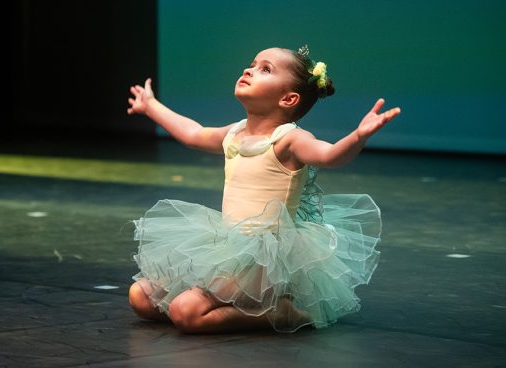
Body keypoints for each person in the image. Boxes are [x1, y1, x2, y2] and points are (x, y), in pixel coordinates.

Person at [126, 45, 401, 334]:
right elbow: (194, 133)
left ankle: (281, 312)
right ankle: (219, 302)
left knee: (186, 312)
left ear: (288, 98)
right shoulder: (235, 132)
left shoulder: (290, 140)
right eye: (252, 64)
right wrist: (151, 105)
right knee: (140, 297)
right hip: (226, 247)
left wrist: (358, 136)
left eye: (265, 69)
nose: (249, 70)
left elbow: (330, 155)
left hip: (264, 259)